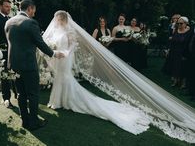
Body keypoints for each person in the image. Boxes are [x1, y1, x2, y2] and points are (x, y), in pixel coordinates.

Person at [41, 10, 195, 143]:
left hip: (65, 59)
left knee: (65, 78)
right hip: (59, 58)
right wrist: (53, 50)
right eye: (57, 19)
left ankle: (67, 100)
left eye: (60, 19)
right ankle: (58, 101)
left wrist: (65, 53)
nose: (57, 21)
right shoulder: (57, 31)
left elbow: (72, 46)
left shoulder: (69, 31)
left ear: (64, 19)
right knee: (61, 79)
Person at [5, 0, 64, 131]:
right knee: (32, 94)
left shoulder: (9, 22)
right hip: (28, 65)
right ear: (30, 8)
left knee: (20, 94)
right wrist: (53, 53)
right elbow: (40, 43)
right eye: (34, 11)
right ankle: (34, 122)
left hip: (13, 65)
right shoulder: (30, 22)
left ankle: (25, 121)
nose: (34, 14)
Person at [169, 17, 190, 88]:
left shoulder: (188, 33)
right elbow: (172, 42)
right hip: (175, 51)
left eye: (181, 23)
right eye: (178, 23)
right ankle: (176, 80)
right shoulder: (176, 31)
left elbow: (188, 44)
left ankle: (183, 83)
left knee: (183, 67)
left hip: (183, 52)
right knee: (175, 66)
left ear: (186, 24)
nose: (179, 25)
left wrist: (185, 54)